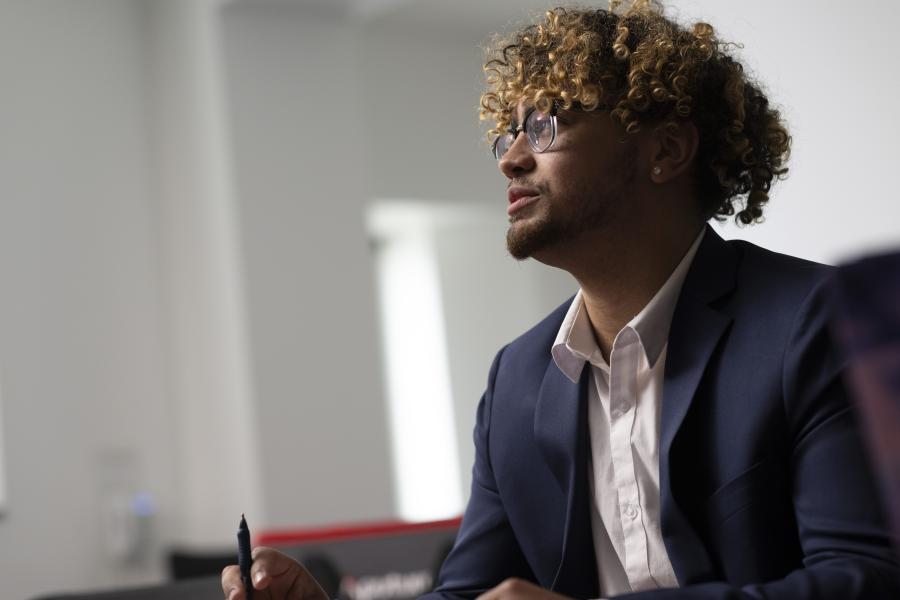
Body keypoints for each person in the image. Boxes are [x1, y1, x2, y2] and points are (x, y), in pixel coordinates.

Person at [222, 1, 900, 598]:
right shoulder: (517, 378)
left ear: (665, 151)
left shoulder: (817, 322)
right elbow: (469, 595)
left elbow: (863, 578)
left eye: (544, 128)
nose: (510, 159)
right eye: (506, 135)